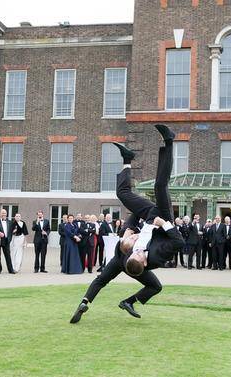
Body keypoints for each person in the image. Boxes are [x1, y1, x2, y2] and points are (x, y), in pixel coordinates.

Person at [70, 124, 184, 324]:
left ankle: (127, 159)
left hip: (144, 216)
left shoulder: (125, 253)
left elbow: (120, 250)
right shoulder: (157, 257)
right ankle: (169, 140)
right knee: (160, 185)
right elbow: (179, 243)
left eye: (134, 252)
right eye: (138, 253)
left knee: (122, 194)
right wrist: (163, 224)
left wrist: (127, 231)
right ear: (145, 263)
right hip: (161, 217)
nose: (136, 250)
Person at [0, 209, 15, 274]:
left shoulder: (10, 222)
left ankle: (11, 270)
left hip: (6, 241)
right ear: (0, 214)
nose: (3, 214)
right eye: (2, 213)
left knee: (8, 256)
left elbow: (11, 232)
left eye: (5, 213)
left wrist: (10, 239)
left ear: (6, 214)